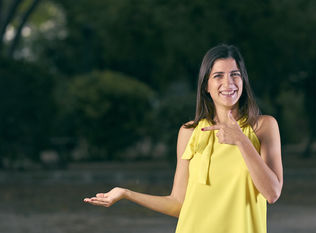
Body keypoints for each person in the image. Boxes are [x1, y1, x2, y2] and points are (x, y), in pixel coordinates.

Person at [84, 44, 283, 233]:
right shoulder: (189, 132)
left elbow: (272, 193)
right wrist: (126, 193)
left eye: (235, 75)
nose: (228, 83)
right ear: (206, 85)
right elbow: (178, 204)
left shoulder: (263, 126)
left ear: (243, 80)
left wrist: (241, 140)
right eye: (218, 76)